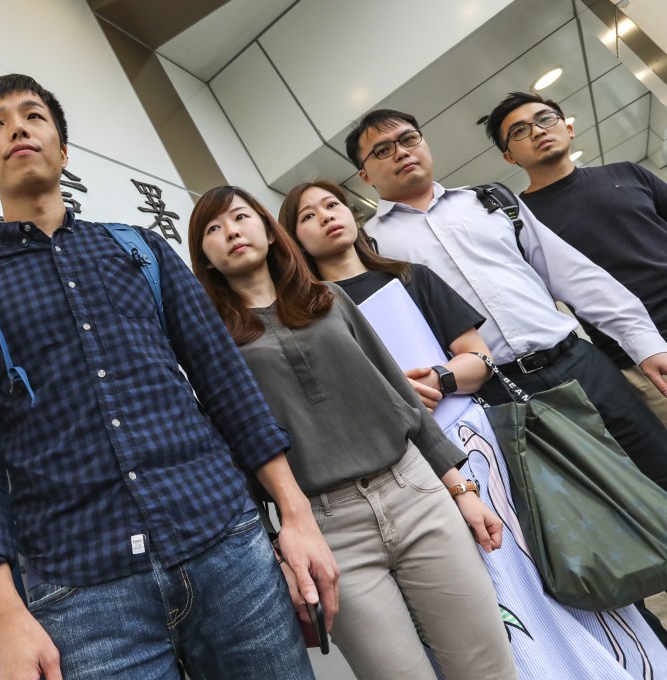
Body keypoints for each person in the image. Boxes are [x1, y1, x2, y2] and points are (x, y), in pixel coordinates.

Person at [0, 74, 338, 680]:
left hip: (226, 545)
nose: (17, 127)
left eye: (34, 116)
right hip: (83, 595)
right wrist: (3, 614)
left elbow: (225, 382)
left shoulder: (140, 250)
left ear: (62, 151)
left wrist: (296, 517)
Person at [279, 179, 667, 678]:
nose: (326, 216)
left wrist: (439, 377)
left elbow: (478, 357)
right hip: (398, 470)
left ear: (354, 215)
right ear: (292, 238)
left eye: (332, 204)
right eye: (307, 216)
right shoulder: (304, 312)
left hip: (470, 442)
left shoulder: (411, 277)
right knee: (474, 592)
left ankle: (628, 664)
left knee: (536, 556)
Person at [188, 185, 518, 680]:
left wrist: (460, 488)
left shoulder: (330, 298)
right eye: (213, 229)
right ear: (205, 259)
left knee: (486, 667)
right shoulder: (209, 346)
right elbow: (235, 452)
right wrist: (276, 548)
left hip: (415, 492)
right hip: (325, 528)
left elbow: (400, 397)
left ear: (270, 232)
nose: (231, 231)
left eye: (239, 217)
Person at [346, 108, 667, 492]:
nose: (401, 152)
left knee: (657, 464)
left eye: (409, 139)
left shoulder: (491, 201)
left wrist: (646, 347)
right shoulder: (371, 248)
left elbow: (578, 278)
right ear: (365, 175)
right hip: (499, 394)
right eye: (382, 150)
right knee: (584, 510)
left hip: (578, 364)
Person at [485, 91, 667, 426]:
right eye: (520, 130)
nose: (538, 131)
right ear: (509, 156)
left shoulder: (627, 173)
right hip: (637, 358)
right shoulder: (519, 223)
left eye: (544, 119)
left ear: (567, 129)